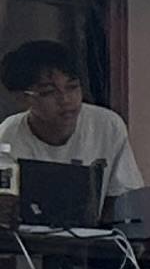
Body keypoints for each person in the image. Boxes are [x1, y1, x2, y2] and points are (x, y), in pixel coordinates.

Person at [0, 41, 139, 196]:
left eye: (72, 87)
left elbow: (124, 196)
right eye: (49, 92)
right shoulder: (6, 137)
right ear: (22, 98)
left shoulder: (107, 125)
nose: (65, 100)